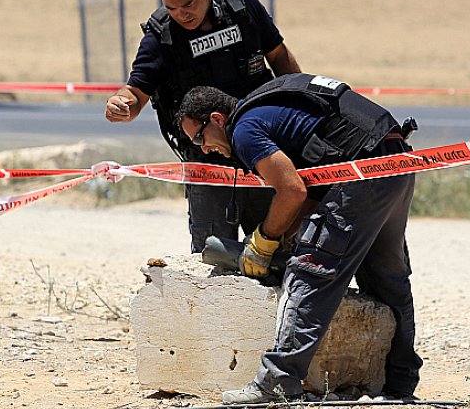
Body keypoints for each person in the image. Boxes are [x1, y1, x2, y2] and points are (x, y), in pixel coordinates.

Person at [176, 73, 422, 404]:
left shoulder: (244, 130)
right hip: (394, 163)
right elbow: (314, 191)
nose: (204, 149)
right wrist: (286, 237)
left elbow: (292, 190)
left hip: (363, 173)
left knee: (309, 273)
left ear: (217, 119)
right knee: (387, 276)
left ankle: (278, 380)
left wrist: (264, 241)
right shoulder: (268, 107)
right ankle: (400, 382)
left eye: (200, 138)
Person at [105, 0, 301, 252]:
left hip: (261, 148)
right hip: (207, 158)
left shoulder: (242, 7)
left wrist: (297, 108)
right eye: (171, 8)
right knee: (212, 252)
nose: (181, 14)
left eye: (189, 4)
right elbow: (136, 92)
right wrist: (121, 104)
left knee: (277, 246)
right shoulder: (161, 37)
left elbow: (279, 57)